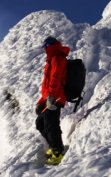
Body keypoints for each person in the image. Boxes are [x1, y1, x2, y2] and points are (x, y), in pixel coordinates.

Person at [35, 36, 70, 166]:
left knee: (51, 124)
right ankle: (52, 146)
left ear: (51, 46)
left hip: (56, 97)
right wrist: (41, 101)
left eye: (46, 47)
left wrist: (50, 97)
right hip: (48, 97)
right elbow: (46, 84)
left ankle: (58, 152)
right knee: (40, 123)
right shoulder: (50, 60)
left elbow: (55, 78)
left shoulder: (58, 58)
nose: (44, 49)